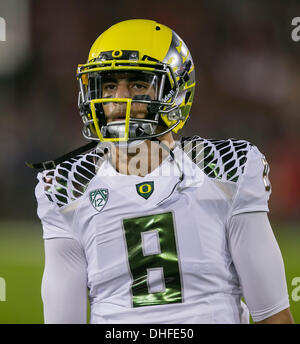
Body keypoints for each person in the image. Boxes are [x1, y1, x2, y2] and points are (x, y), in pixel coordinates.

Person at [32, 19, 294, 324]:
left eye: (138, 85)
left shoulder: (225, 168)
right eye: (108, 85)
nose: (119, 100)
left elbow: (272, 314)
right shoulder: (67, 186)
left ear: (175, 93)